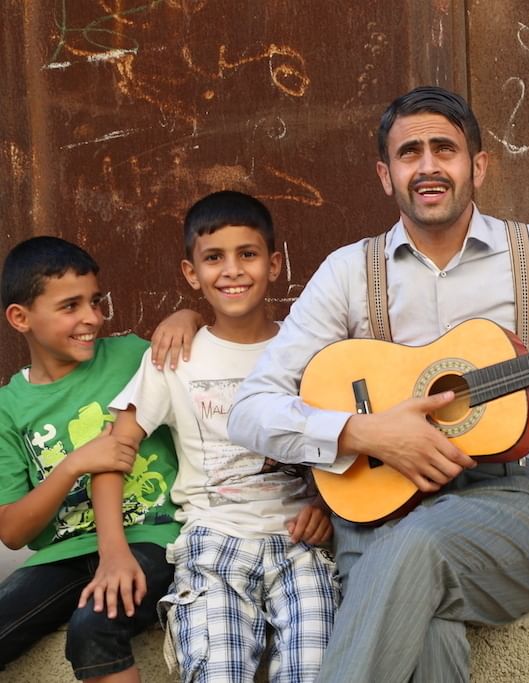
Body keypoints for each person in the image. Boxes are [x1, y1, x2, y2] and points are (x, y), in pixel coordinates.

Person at [227, 85, 529, 682]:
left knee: (414, 547)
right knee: (425, 628)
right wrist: (363, 433)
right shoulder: (349, 272)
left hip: (518, 506)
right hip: (381, 510)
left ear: (478, 166)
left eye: (444, 149)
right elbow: (250, 410)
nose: (427, 166)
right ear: (385, 175)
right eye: (409, 152)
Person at [102, 191, 338, 682]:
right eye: (214, 258)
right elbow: (113, 451)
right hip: (214, 543)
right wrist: (114, 551)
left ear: (274, 264)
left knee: (316, 669)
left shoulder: (311, 352)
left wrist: (328, 507)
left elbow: (346, 441)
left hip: (302, 543)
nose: (232, 271)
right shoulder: (173, 357)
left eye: (247, 254)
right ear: (192, 273)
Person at [0, 236, 181, 682]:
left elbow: (201, 344)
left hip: (152, 537)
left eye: (95, 301)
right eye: (70, 306)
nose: (93, 318)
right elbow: (13, 531)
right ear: (21, 318)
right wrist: (73, 465)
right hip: (64, 554)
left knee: (95, 626)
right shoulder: (9, 408)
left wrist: (187, 316)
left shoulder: (132, 356)